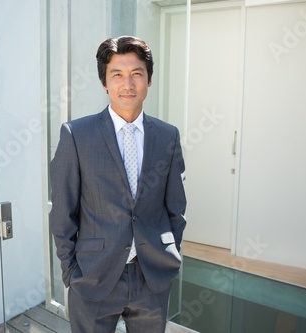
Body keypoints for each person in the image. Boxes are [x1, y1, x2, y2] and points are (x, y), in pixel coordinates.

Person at [49, 36, 187, 333]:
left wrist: (168, 255)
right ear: (104, 82)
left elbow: (176, 207)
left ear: (149, 80)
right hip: (93, 277)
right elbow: (62, 211)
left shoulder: (168, 136)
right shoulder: (76, 135)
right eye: (117, 75)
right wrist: (71, 272)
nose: (128, 84)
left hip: (152, 276)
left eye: (137, 74)